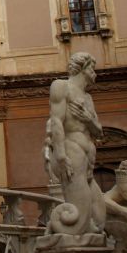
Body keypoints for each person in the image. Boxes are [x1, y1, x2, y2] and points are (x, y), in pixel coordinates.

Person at [46, 52, 105, 235]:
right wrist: (61, 155)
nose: (95, 73)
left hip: (88, 156)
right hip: (72, 152)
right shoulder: (61, 86)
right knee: (79, 218)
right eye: (92, 69)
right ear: (83, 69)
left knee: (99, 217)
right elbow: (56, 121)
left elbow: (99, 132)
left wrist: (89, 119)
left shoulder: (88, 98)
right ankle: (65, 241)